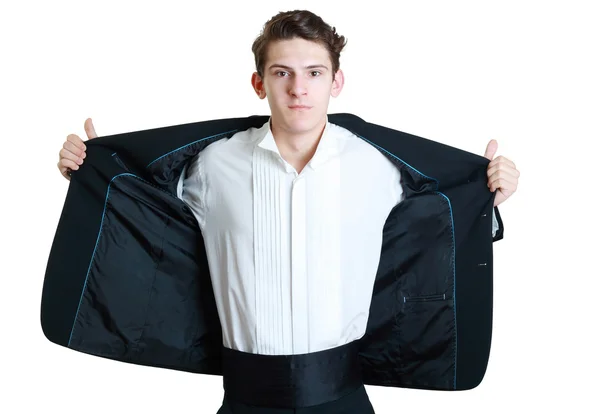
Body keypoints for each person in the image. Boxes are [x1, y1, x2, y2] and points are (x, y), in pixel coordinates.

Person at [54, 9, 519, 414]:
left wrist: (489, 191)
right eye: (282, 73)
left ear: (336, 81)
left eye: (315, 73)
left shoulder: (381, 167)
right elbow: (137, 198)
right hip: (243, 399)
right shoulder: (212, 164)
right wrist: (94, 166)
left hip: (344, 399)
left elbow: (444, 217)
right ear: (259, 83)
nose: (299, 89)